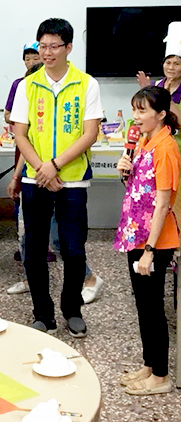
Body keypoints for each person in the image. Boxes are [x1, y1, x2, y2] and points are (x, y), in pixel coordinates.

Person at [10, 18, 103, 337]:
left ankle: (71, 309)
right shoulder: (27, 85)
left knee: (74, 248)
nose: (46, 52)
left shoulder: (86, 83)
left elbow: (89, 134)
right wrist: (40, 167)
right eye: (42, 46)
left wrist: (55, 165)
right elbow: (19, 133)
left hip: (73, 180)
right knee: (34, 249)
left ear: (69, 48)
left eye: (53, 46)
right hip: (35, 180)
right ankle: (42, 313)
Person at [114, 86, 180, 395]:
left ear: (161, 114)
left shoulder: (166, 148)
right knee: (142, 305)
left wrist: (150, 252)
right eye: (134, 109)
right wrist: (124, 170)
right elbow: (141, 188)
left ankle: (161, 376)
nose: (136, 117)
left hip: (155, 241)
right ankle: (149, 364)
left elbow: (163, 202)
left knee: (153, 308)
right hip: (136, 234)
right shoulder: (143, 140)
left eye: (142, 111)